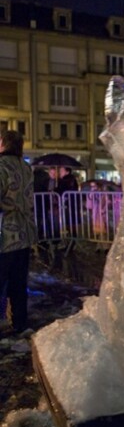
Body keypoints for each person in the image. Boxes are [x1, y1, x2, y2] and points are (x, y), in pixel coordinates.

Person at [0, 129, 37, 334]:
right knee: (18, 283)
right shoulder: (26, 167)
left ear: (4, 144)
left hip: (4, 234)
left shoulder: (1, 166)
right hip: (24, 234)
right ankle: (20, 323)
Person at [56, 166, 79, 238]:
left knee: (69, 222)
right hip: (70, 204)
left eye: (62, 170)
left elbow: (62, 190)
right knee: (69, 222)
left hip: (69, 204)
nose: (60, 172)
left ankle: (72, 240)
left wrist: (55, 189)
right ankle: (71, 240)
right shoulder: (69, 179)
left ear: (67, 172)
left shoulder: (66, 180)